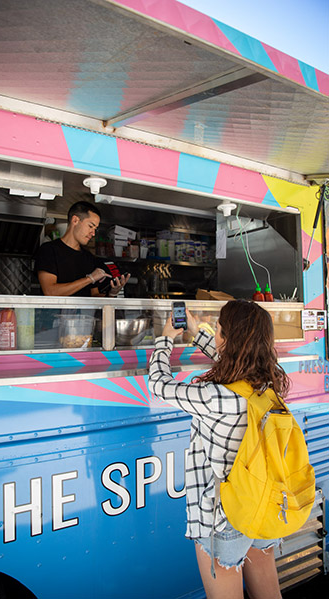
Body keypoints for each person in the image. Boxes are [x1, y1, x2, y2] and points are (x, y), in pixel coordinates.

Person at [149, 300, 288, 599]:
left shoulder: (214, 397)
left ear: (227, 340)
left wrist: (166, 339)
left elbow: (159, 384)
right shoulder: (272, 379)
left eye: (219, 331)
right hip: (264, 504)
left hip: (224, 518)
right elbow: (235, 361)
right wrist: (199, 332)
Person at [34, 201, 130, 297]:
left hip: (84, 312)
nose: (93, 233)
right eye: (90, 226)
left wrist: (112, 294)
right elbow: (50, 292)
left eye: (95, 229)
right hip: (52, 312)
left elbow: (94, 295)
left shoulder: (88, 257)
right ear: (75, 220)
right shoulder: (49, 250)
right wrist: (89, 279)